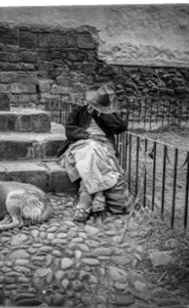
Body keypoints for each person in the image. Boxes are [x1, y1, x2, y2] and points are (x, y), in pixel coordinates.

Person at [57, 84, 133, 222]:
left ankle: (84, 200)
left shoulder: (108, 114)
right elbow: (69, 130)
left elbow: (121, 127)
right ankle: (98, 193)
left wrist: (102, 114)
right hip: (82, 143)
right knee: (92, 149)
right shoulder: (79, 110)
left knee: (92, 153)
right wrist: (87, 136)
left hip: (104, 146)